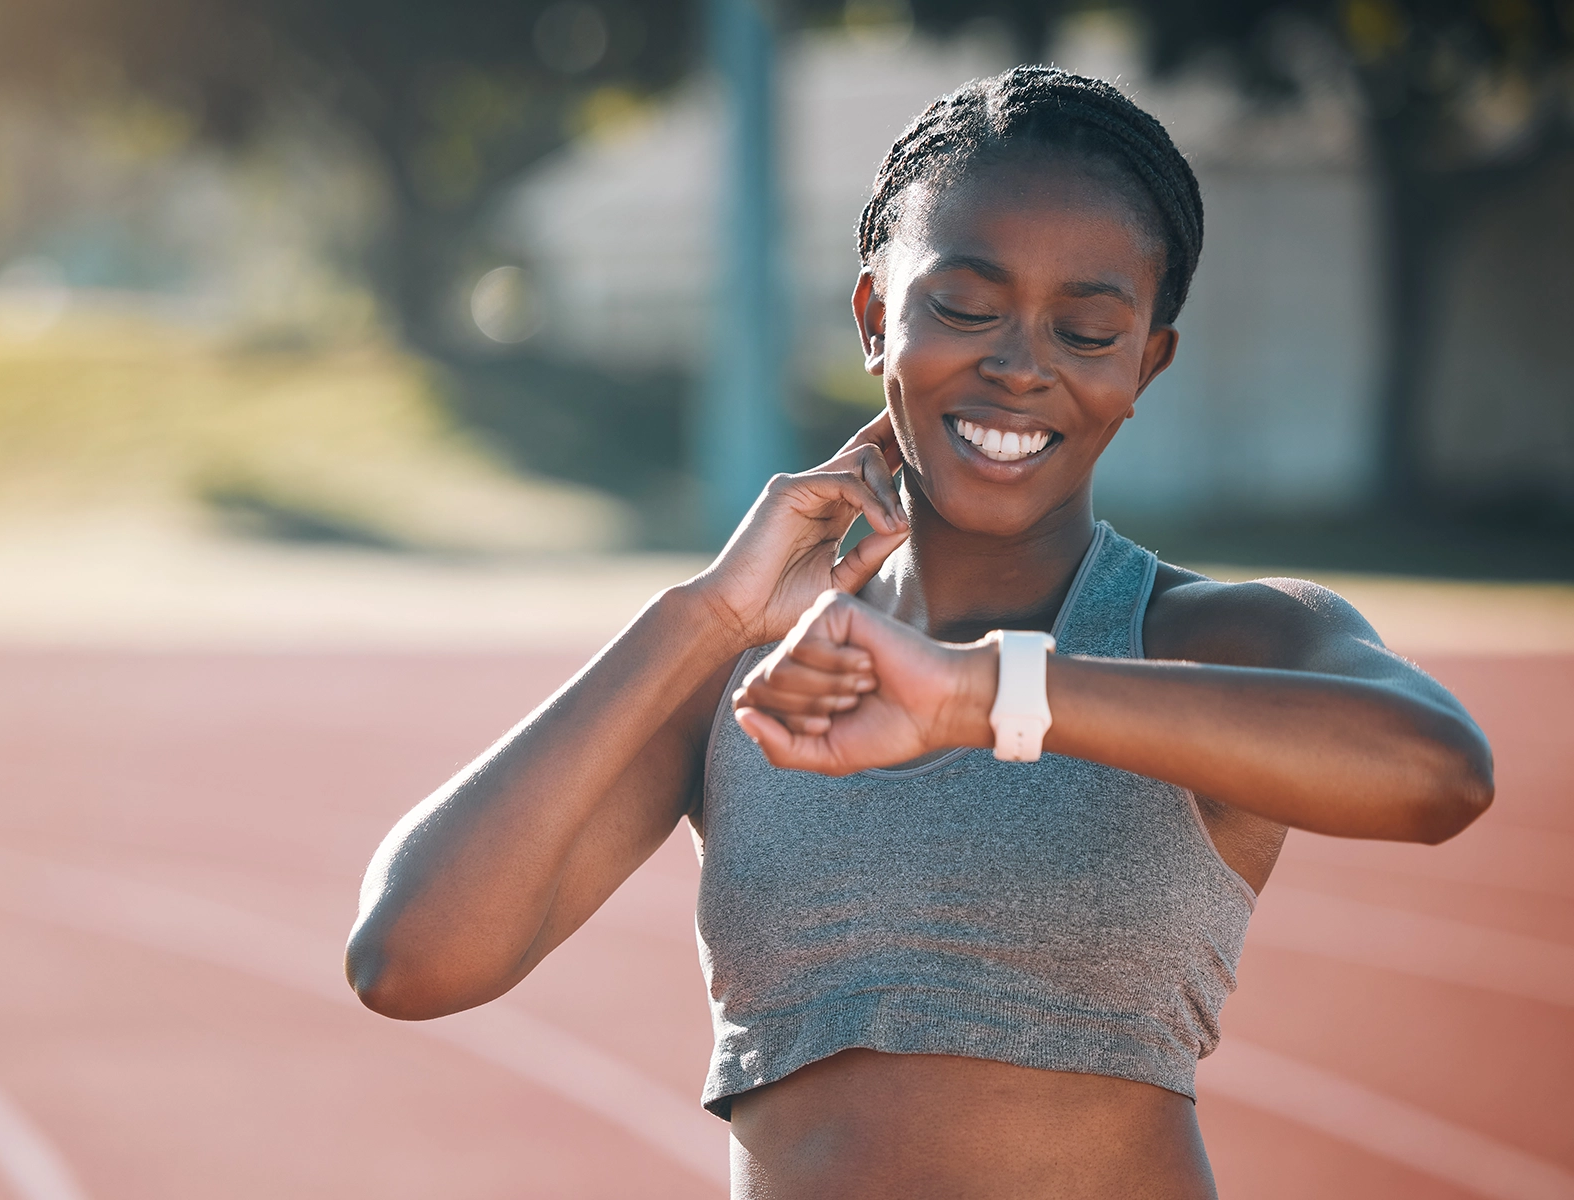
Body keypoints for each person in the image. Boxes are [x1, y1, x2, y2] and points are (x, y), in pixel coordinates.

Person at [344, 66, 1493, 1198]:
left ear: (1147, 364)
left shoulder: (1209, 638)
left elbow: (1438, 773)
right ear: (873, 317)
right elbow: (412, 959)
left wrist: (987, 694)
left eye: (1087, 331)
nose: (1019, 365)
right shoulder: (749, 672)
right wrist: (703, 618)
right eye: (964, 307)